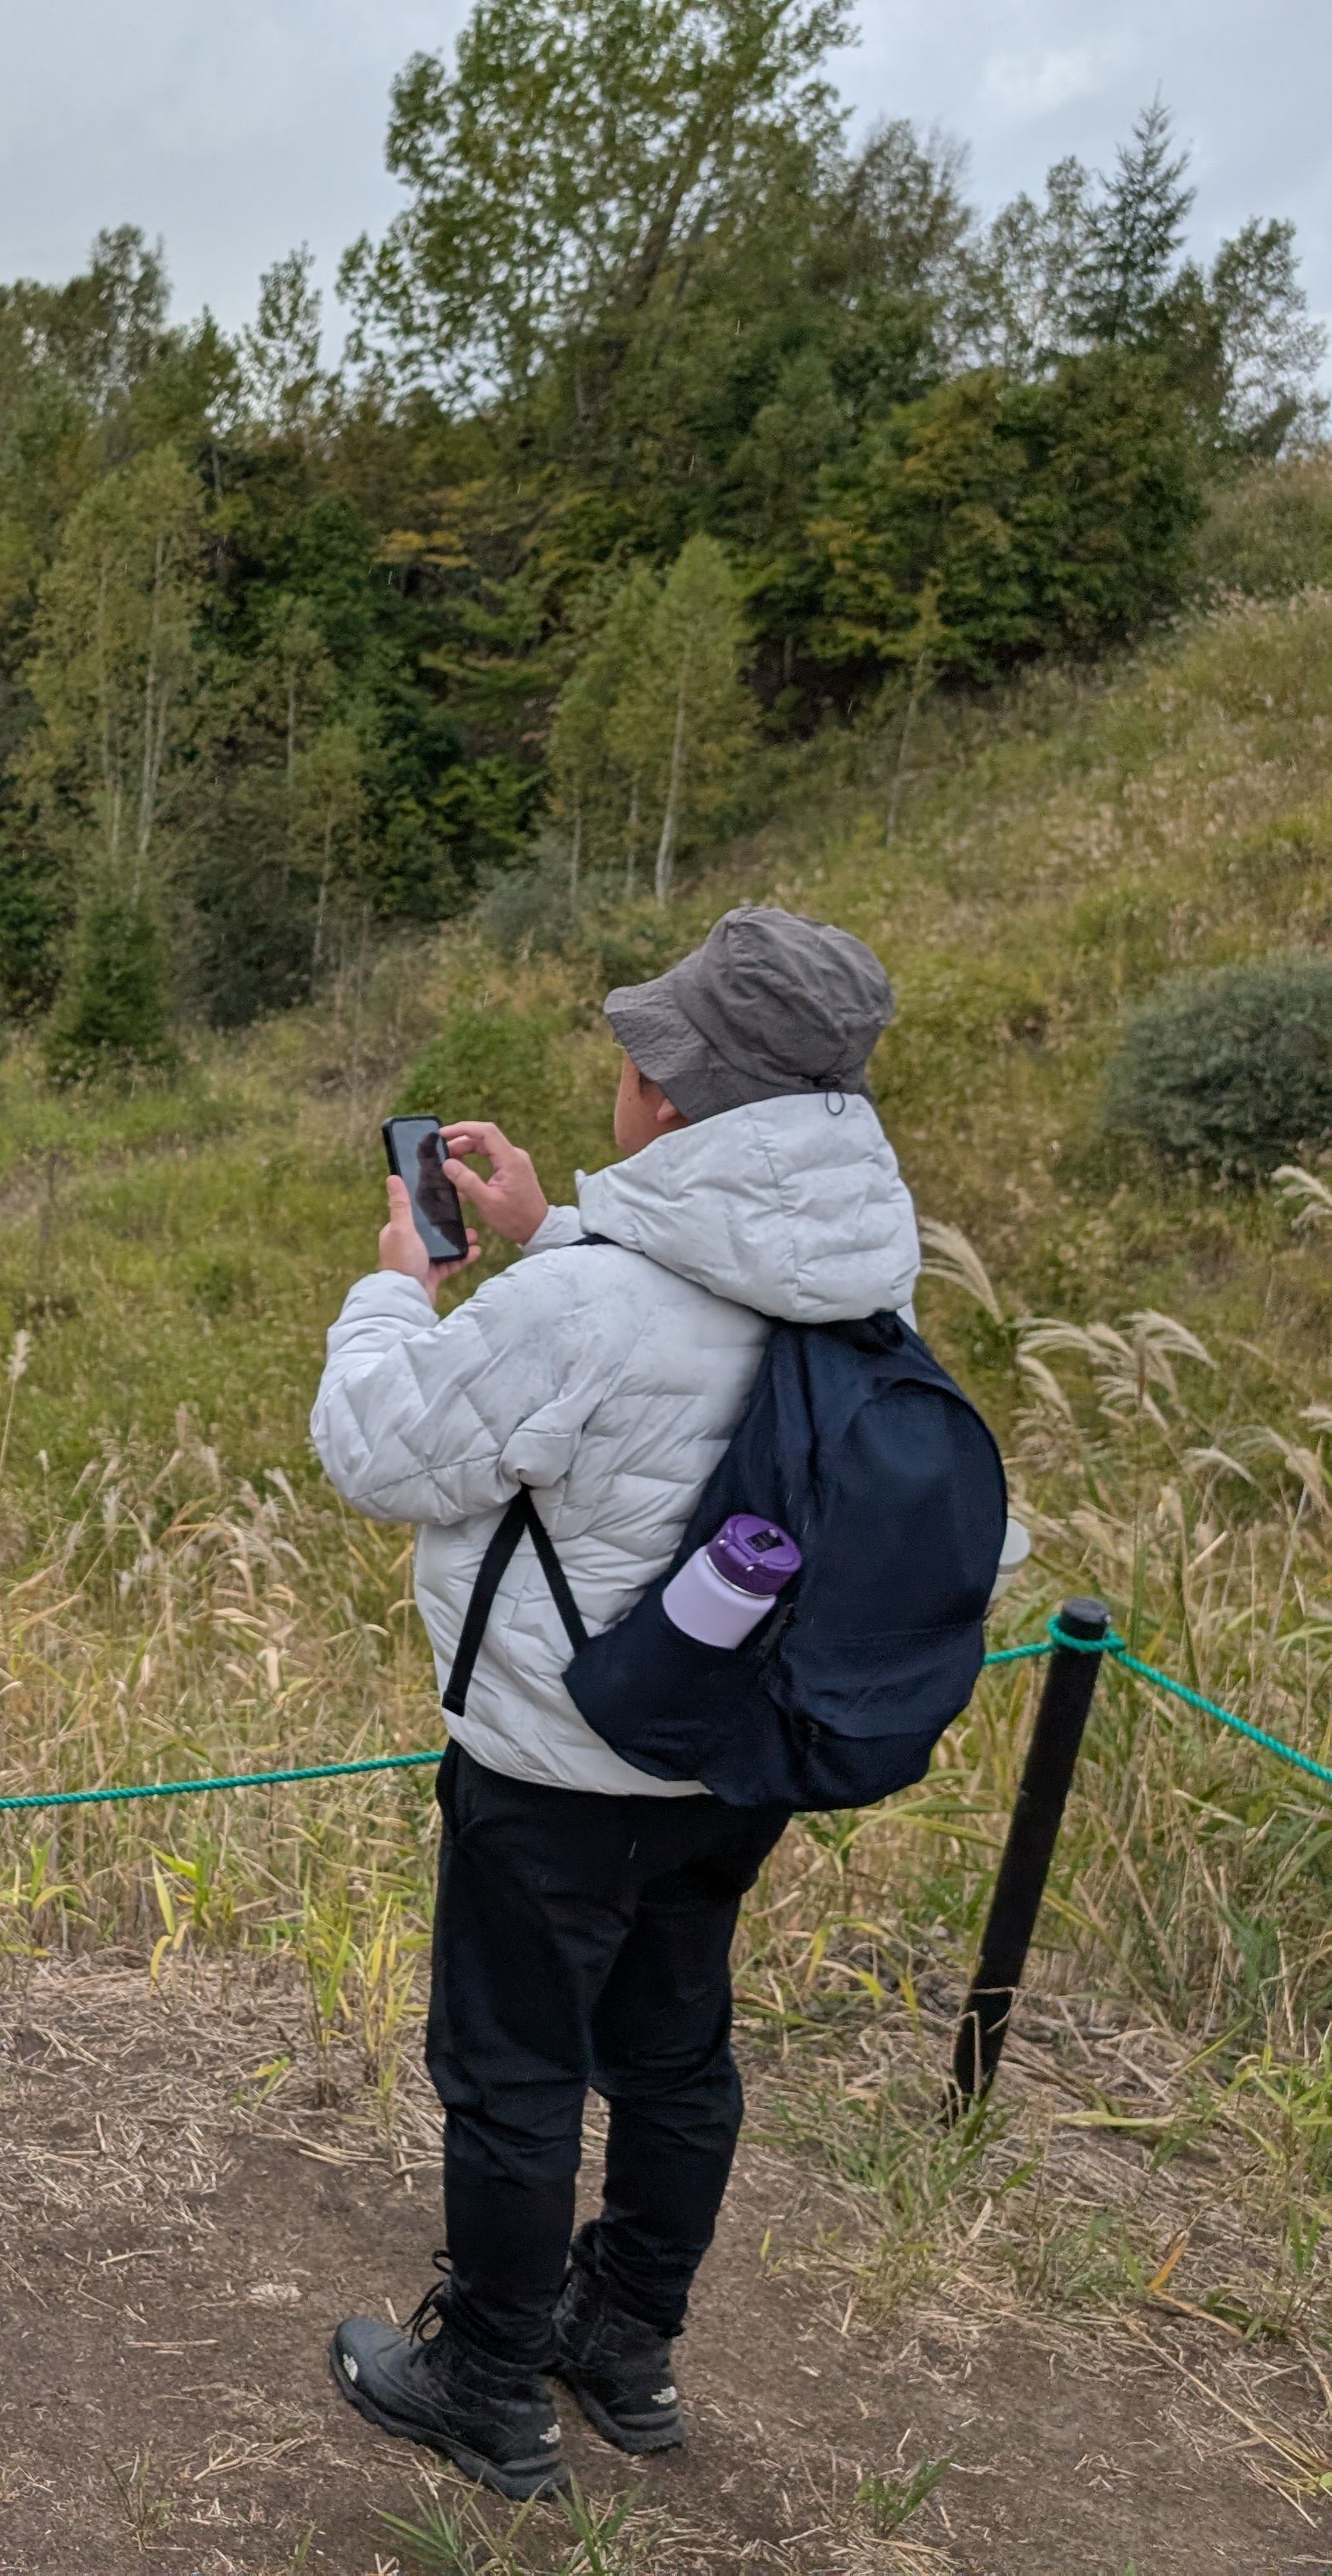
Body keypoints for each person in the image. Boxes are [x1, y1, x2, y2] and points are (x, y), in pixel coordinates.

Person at [308, 906, 918, 2499]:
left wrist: (393, 1295)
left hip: (559, 1760)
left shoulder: (580, 1310)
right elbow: (688, 1353)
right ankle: (626, 2347)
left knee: (513, 2068)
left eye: (643, 1059)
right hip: (738, 1751)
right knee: (675, 2049)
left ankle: (490, 2382)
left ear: (672, 1090)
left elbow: (384, 1455)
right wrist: (540, 1234)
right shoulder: (863, 1281)